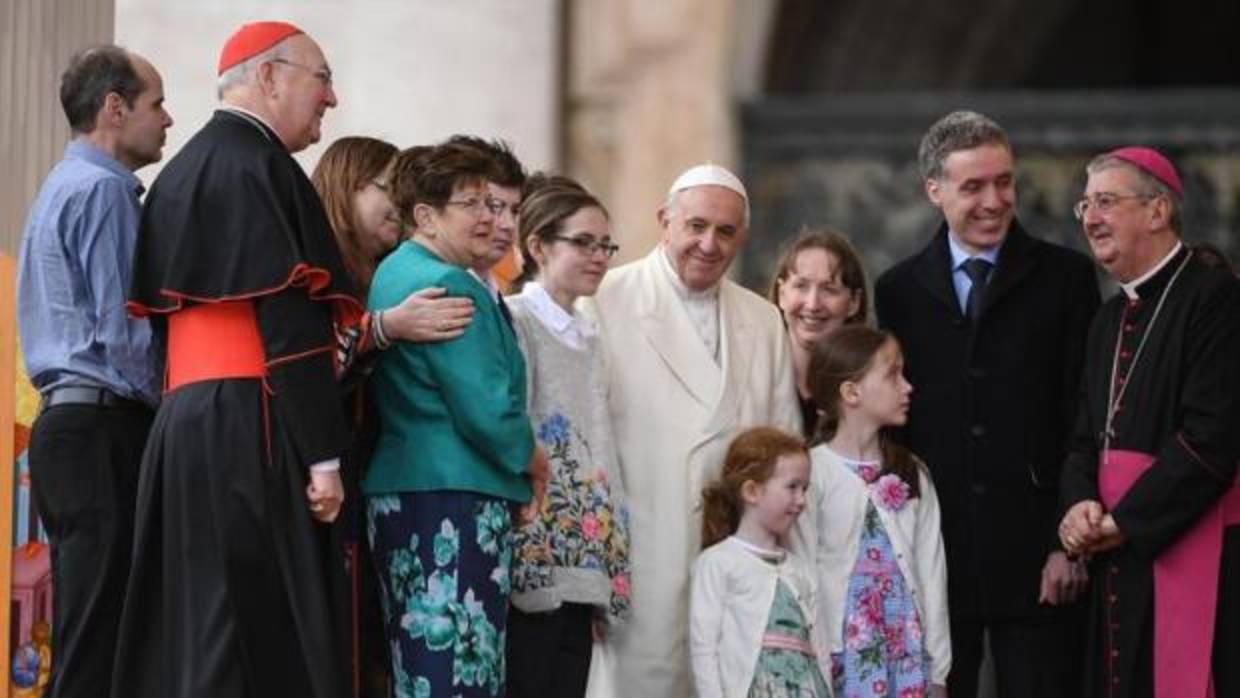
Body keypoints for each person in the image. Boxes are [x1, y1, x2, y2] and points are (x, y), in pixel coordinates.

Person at [113, 21, 362, 697]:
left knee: (200, 620)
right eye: (323, 79)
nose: (331, 99)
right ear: (270, 75)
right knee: (266, 625)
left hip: (184, 424)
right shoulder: (261, 165)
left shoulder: (180, 171)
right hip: (255, 420)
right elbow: (288, 321)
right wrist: (324, 455)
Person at [874, 110, 1098, 698]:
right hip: (937, 560)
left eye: (1004, 182)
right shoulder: (898, 290)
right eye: (973, 186)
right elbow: (895, 427)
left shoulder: (1065, 278)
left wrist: (1066, 544)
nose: (994, 200)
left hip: (1041, 561)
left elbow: (1085, 414)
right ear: (935, 191)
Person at [586, 163, 801, 696]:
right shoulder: (605, 299)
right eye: (696, 226)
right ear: (665, 221)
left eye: (725, 232)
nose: (709, 244)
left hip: (734, 550)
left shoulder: (763, 317)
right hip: (641, 549)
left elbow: (782, 441)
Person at [364, 140, 549, 698]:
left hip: (427, 489)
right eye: (478, 205)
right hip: (447, 494)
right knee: (454, 673)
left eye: (504, 208)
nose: (497, 220)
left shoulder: (418, 271)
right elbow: (486, 406)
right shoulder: (441, 281)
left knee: (435, 669)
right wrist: (533, 459)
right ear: (426, 215)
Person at [15, 44, 172, 698]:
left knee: (89, 624)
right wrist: (178, 408)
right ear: (114, 107)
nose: (167, 119)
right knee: (98, 636)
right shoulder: (104, 190)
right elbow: (125, 327)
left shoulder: (62, 184)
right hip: (101, 428)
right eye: (156, 103)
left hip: (72, 429)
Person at [1058, 147, 1240, 698]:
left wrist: (1124, 523)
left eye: (1107, 202)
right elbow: (1084, 437)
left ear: (1158, 211)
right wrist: (1077, 505)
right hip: (1119, 550)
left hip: (1186, 537)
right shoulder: (1108, 317)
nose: (1090, 218)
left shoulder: (1218, 299)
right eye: (1085, 204)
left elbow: (1212, 437)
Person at [311, 135, 475, 698]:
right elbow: (306, 366)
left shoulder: (386, 272)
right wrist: (381, 328)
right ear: (346, 187)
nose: (401, 209)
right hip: (321, 481)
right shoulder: (315, 270)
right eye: (388, 189)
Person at [503, 174, 631, 697]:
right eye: (583, 242)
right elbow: (513, 425)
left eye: (606, 245)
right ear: (537, 245)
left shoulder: (591, 334)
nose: (600, 256)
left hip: (586, 552)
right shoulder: (516, 322)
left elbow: (599, 444)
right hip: (536, 548)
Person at [798, 324, 949, 697]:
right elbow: (801, 572)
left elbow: (933, 574)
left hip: (907, 657)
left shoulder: (913, 473)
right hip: (840, 657)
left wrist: (939, 672)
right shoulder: (810, 474)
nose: (907, 386)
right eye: (893, 374)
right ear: (851, 392)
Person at [690, 426, 829, 698]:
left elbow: (819, 649)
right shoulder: (717, 563)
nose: (801, 501)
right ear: (752, 491)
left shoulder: (801, 569)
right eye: (792, 487)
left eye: (805, 489)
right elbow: (703, 647)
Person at [768, 229, 869, 438]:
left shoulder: (870, 390)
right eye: (801, 286)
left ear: (853, 302)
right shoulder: (753, 377)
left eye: (829, 289)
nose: (813, 304)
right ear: (781, 294)